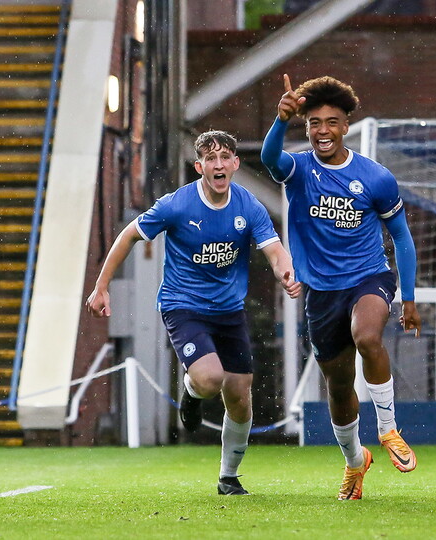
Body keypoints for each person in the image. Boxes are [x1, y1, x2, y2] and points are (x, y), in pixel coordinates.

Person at [86, 130, 301, 495]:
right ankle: (191, 390)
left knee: (239, 394)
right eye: (210, 160)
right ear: (199, 166)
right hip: (183, 305)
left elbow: (275, 250)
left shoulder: (249, 206)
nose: (218, 165)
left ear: (235, 163)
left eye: (225, 158)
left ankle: (228, 477)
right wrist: (101, 286)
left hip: (230, 310)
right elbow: (128, 236)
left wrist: (285, 271)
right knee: (208, 379)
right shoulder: (177, 205)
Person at [261, 74, 421, 501]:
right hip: (320, 290)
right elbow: (269, 158)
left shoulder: (376, 178)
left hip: (369, 276)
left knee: (367, 336)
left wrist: (408, 296)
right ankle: (355, 461)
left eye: (331, 122)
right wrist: (280, 121)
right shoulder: (297, 169)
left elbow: (402, 238)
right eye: (314, 122)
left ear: (346, 126)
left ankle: (389, 431)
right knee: (337, 382)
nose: (322, 130)